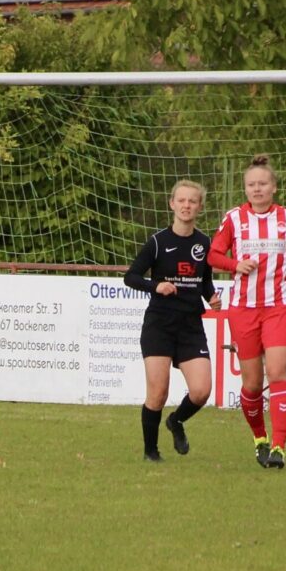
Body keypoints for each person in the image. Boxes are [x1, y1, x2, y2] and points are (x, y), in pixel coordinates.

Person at [207, 154, 286, 469]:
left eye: (262, 184)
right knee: (253, 384)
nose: (257, 189)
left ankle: (279, 448)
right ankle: (260, 438)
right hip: (243, 309)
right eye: (251, 185)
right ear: (245, 189)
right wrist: (235, 264)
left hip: (278, 306)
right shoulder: (233, 219)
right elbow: (213, 255)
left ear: (273, 187)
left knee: (277, 372)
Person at [124, 180, 216, 461]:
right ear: (172, 204)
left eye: (192, 201)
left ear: (199, 207)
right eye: (182, 200)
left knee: (201, 391)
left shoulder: (205, 243)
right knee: (158, 393)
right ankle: (151, 452)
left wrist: (212, 297)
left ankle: (176, 421)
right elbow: (131, 277)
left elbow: (204, 282)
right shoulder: (157, 242)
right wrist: (156, 286)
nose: (187, 205)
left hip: (190, 326)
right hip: (159, 325)